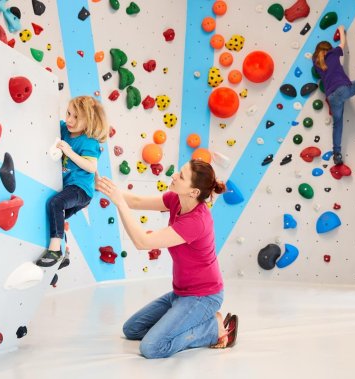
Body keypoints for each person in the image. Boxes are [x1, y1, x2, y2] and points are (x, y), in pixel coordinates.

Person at [95, 159, 238, 358]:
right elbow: (136, 201)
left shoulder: (196, 222)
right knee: (132, 330)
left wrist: (119, 203)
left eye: (181, 175)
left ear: (194, 192)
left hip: (203, 296)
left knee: (152, 348)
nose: (174, 175)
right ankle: (195, 319)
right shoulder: (175, 200)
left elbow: (142, 242)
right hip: (180, 294)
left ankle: (212, 329)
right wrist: (108, 189)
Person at [36, 96, 109, 267]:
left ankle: (55, 251)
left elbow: (91, 167)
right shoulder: (64, 129)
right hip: (71, 187)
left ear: (89, 121)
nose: (69, 119)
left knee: (56, 203)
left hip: (81, 190)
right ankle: (65, 250)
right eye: (69, 113)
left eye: (76, 117)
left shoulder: (89, 141)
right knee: (55, 218)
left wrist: (69, 152)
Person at [312, 25, 355, 165]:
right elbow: (343, 43)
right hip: (342, 89)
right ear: (328, 49)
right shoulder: (333, 53)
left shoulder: (316, 63)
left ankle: (337, 154)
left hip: (331, 97)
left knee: (337, 125)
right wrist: (341, 29)